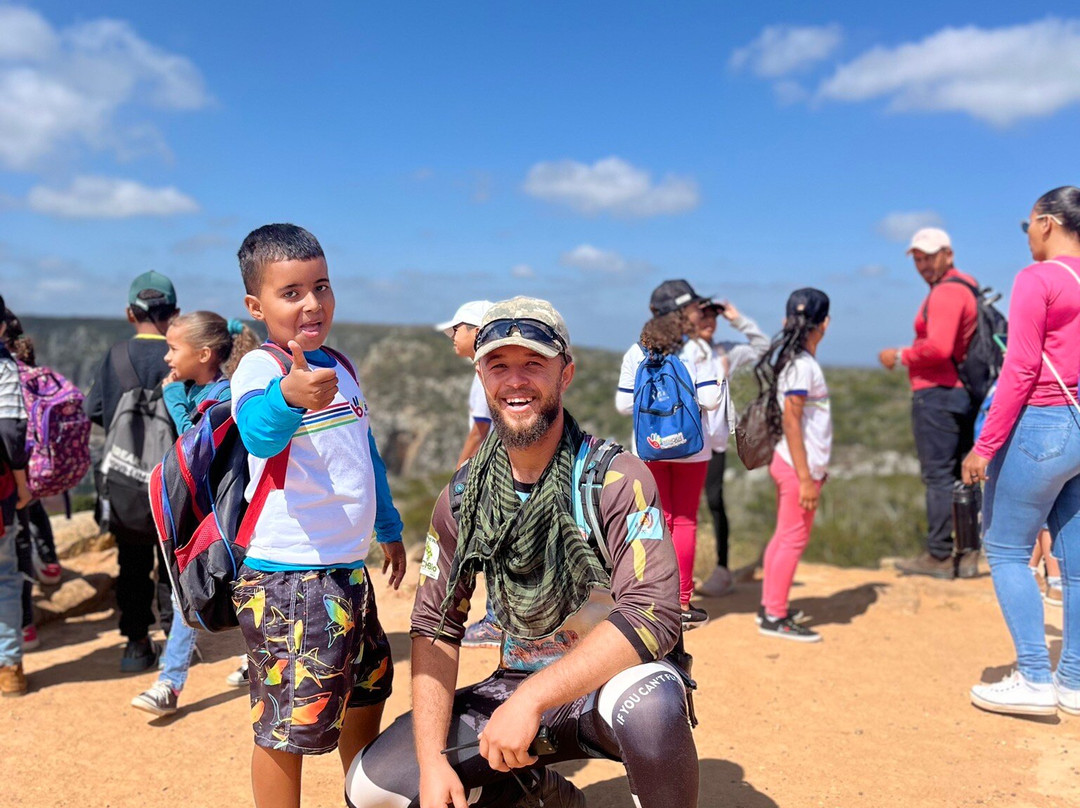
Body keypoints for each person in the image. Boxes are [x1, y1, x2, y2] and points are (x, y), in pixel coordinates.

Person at [346, 296, 697, 808]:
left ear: (566, 374)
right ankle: (542, 795)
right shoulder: (466, 495)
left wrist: (532, 698)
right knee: (372, 787)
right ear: (480, 376)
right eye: (498, 365)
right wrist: (431, 762)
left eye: (534, 364)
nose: (515, 381)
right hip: (513, 683)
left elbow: (653, 615)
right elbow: (434, 624)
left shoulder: (614, 478)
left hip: (607, 687)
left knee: (651, 703)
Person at [229, 223, 406, 808]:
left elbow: (364, 453)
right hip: (290, 578)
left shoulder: (343, 365)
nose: (312, 303)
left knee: (363, 694)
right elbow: (256, 434)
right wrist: (289, 395)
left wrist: (388, 528)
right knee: (288, 726)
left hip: (344, 572)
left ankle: (364, 798)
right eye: (292, 292)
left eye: (322, 286)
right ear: (256, 305)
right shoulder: (262, 368)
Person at [962, 186, 1080, 717]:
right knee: (1075, 563)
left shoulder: (1038, 279)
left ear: (1049, 223)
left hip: (1044, 425)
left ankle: (1034, 675)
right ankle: (1074, 680)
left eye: (1028, 225)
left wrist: (985, 445)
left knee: (1008, 549)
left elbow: (1023, 368)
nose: (1028, 234)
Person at [130, 311, 258, 717]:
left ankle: (169, 683)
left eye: (173, 349)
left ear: (204, 354)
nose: (167, 358)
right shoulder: (200, 389)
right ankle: (246, 664)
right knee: (209, 588)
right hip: (207, 516)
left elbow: (198, 446)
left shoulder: (222, 396)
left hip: (222, 518)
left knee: (196, 586)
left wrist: (174, 405)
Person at [84, 271, 178, 672]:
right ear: (174, 313)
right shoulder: (182, 352)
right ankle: (177, 640)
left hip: (124, 481)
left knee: (132, 564)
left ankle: (136, 646)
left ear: (129, 313)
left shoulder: (115, 356)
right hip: (171, 482)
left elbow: (94, 412)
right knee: (172, 563)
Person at [616, 279, 722, 629]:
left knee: (656, 519)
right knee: (686, 520)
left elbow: (622, 404)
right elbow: (709, 401)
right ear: (682, 313)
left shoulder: (637, 351)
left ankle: (651, 597)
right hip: (693, 448)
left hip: (650, 449)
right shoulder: (697, 350)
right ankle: (681, 602)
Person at [879, 228, 980, 579]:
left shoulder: (947, 293)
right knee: (960, 474)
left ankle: (938, 554)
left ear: (947, 254)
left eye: (929, 256)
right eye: (918, 258)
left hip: (937, 392)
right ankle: (967, 553)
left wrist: (900, 355)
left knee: (938, 476)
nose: (922, 264)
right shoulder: (967, 286)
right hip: (962, 391)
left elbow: (938, 347)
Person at [755, 289, 832, 642]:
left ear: (786, 322)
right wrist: (805, 477)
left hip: (790, 462)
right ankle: (775, 615)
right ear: (825, 324)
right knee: (793, 538)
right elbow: (792, 421)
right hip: (795, 467)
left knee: (784, 536)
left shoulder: (793, 361)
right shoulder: (803, 365)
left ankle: (771, 605)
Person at [436, 300, 503, 649]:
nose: (452, 336)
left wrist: (461, 466)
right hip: (505, 464)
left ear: (476, 332)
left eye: (456, 329)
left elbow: (479, 429)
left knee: (492, 540)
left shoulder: (484, 372)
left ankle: (496, 619)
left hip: (490, 467)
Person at [694, 299, 770, 598]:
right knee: (676, 510)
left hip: (713, 443)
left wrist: (738, 319)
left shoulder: (724, 351)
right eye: (703, 315)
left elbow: (763, 347)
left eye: (713, 315)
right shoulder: (679, 352)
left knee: (714, 502)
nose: (709, 320)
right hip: (683, 444)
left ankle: (722, 570)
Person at [1, 308, 63, 651]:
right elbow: (11, 432)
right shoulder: (17, 370)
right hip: (12, 482)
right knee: (11, 561)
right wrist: (23, 483)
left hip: (11, 480)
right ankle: (14, 650)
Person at [0, 292, 31, 696]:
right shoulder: (5, 368)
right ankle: (9, 669)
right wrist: (23, 483)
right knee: (5, 578)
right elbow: (9, 431)